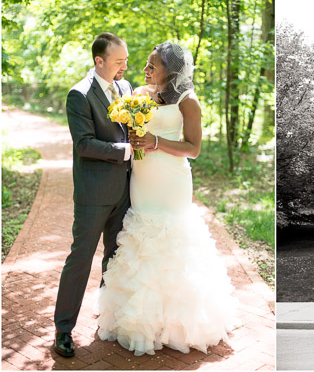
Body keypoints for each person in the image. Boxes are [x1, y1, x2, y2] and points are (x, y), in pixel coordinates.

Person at [96, 42, 238, 356]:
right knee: (142, 241)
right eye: (146, 64)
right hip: (143, 179)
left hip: (171, 181)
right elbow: (132, 132)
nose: (145, 70)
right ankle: (140, 320)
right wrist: (134, 137)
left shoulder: (189, 101)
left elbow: (193, 149)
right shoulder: (142, 94)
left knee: (170, 240)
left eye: (152, 65)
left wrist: (155, 141)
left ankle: (175, 324)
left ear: (170, 70)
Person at [54, 33, 134, 358]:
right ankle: (62, 329)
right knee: (81, 258)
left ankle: (107, 317)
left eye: (126, 60)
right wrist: (124, 151)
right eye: (118, 61)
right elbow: (84, 144)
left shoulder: (126, 88)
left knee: (115, 256)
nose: (124, 66)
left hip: (126, 192)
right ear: (99, 61)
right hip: (93, 194)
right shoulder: (79, 95)